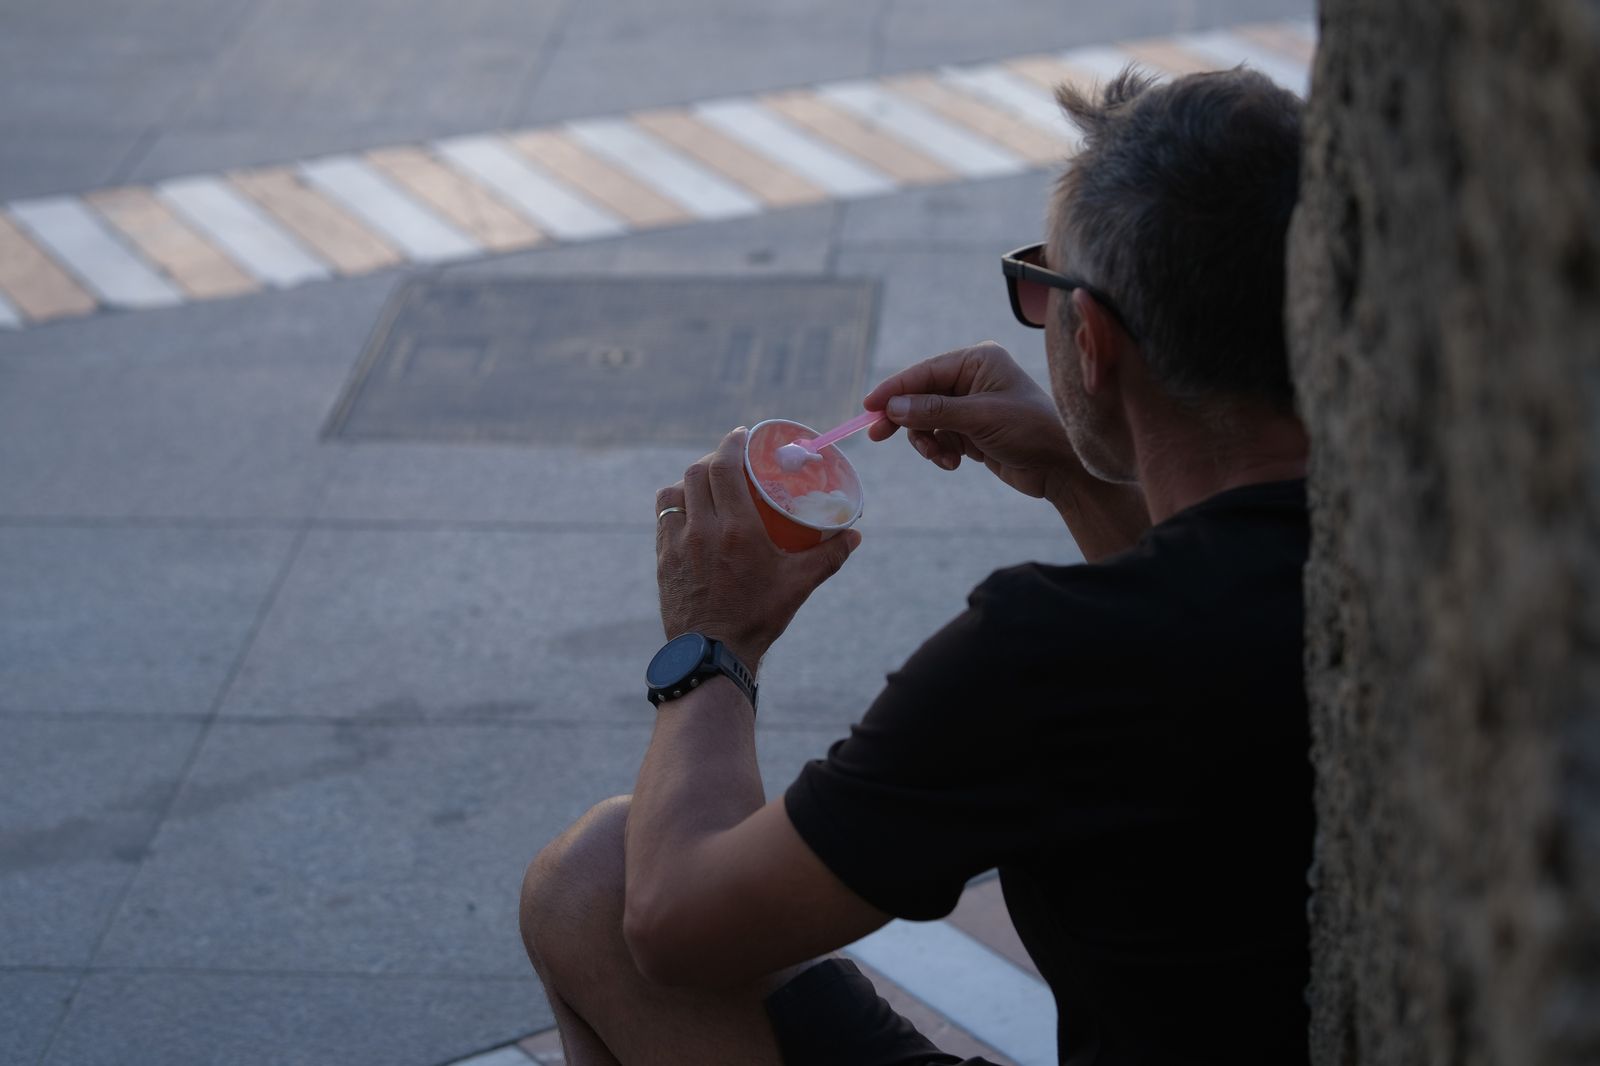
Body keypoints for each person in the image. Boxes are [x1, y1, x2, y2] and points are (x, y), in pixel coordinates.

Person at [519, 64, 1312, 1065]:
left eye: (1045, 287)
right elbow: (1204, 611)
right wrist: (1080, 471)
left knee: (594, 883)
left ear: (1094, 343)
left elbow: (676, 923)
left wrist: (713, 642)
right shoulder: (1381, 529)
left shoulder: (1048, 655)